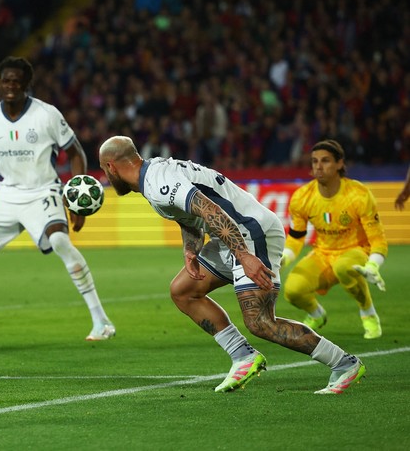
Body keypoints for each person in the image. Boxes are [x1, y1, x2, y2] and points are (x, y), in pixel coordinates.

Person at [98, 136, 366, 394]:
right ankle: (243, 357)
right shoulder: (153, 176)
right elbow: (190, 216)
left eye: (105, 171)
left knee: (261, 322)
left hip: (250, 233)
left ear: (111, 167)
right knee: (183, 291)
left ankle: (344, 363)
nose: (107, 178)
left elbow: (210, 210)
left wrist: (246, 256)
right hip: (229, 236)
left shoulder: (158, 182)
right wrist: (191, 249)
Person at [0, 56, 114, 343]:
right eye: (6, 80)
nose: (11, 86)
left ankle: (101, 321)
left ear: (27, 84)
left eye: (17, 81)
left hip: (44, 191)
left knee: (59, 242)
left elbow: (77, 152)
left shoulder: (47, 114)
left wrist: (75, 199)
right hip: (7, 194)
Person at [281, 140, 388, 339]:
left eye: (325, 161)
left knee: (343, 267)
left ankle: (368, 313)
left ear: (340, 164)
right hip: (323, 253)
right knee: (292, 290)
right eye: (314, 161)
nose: (318, 167)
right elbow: (296, 237)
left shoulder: (358, 194)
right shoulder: (302, 197)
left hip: (355, 250)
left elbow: (378, 239)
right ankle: (317, 314)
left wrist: (373, 265)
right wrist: (284, 258)